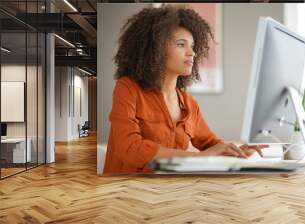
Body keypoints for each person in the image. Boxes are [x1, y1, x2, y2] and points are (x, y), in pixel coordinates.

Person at [104, 5, 267, 174]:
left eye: (193, 46)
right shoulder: (127, 88)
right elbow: (129, 148)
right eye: (181, 44)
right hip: (124, 191)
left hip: (167, 191)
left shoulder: (189, 104)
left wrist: (238, 152)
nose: (192, 53)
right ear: (156, 48)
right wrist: (199, 157)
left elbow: (212, 145)